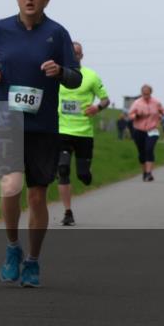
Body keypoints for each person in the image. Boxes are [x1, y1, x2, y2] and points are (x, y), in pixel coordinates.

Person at [0, 0, 80, 288]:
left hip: (43, 125)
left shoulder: (57, 34)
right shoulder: (0, 29)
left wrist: (60, 70)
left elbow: (75, 78)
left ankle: (33, 260)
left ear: (46, 0)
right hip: (7, 118)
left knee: (37, 196)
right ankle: (13, 247)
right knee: (10, 186)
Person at [56, 41, 110, 226]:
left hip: (84, 133)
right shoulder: (57, 75)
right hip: (62, 130)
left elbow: (105, 99)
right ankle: (68, 212)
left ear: (81, 56)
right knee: (63, 169)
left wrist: (97, 107)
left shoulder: (91, 76)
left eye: (77, 53)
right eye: (71, 53)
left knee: (83, 176)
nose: (74, 56)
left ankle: (86, 172)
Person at [128, 84, 164, 182]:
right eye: (144, 94)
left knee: (149, 149)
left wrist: (161, 117)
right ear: (141, 93)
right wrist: (136, 115)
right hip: (139, 129)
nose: (146, 96)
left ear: (150, 93)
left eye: (147, 94)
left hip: (152, 129)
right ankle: (144, 172)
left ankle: (149, 173)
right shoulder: (137, 103)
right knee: (142, 152)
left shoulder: (156, 102)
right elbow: (130, 115)